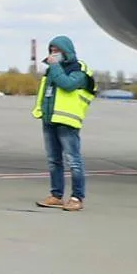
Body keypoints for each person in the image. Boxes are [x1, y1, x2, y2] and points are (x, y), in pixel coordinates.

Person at [34, 36, 95, 211]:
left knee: (73, 161)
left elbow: (67, 85)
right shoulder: (52, 71)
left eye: (57, 51)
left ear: (66, 51)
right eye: (51, 51)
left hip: (67, 121)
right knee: (54, 160)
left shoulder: (79, 70)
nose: (53, 54)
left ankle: (77, 197)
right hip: (50, 119)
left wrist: (54, 66)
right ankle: (56, 195)